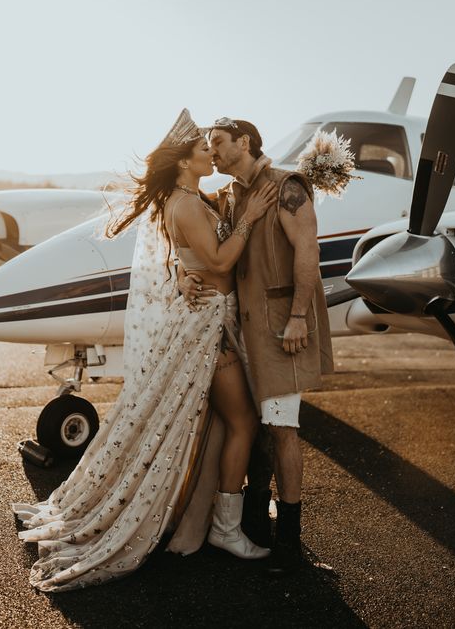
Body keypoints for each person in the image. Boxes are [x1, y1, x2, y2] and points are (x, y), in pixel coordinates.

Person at [11, 109, 277, 592]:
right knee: (243, 420)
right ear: (184, 162)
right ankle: (226, 529)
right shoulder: (186, 205)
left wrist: (184, 271)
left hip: (209, 318)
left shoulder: (190, 199)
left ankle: (207, 518)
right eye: (204, 149)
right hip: (209, 328)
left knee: (216, 423)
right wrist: (251, 219)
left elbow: (191, 257)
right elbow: (220, 261)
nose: (211, 154)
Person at [185, 117, 334, 576]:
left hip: (280, 331)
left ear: (244, 142)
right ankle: (252, 524)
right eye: (208, 146)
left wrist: (298, 316)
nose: (212, 152)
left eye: (218, 143)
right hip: (238, 330)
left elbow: (307, 250)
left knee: (283, 429)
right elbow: (192, 242)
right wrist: (182, 275)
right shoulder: (229, 196)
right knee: (252, 426)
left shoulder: (287, 186)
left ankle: (289, 543)